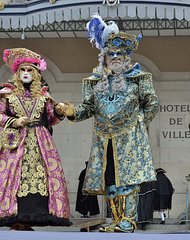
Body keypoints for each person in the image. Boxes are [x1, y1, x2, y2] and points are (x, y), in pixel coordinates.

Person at [55, 15, 159, 233]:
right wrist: (70, 110)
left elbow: (152, 104)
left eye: (119, 54)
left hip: (129, 139)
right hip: (105, 141)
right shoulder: (94, 83)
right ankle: (116, 219)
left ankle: (128, 221)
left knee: (128, 181)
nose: (115, 57)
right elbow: (88, 108)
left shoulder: (138, 78)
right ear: (104, 58)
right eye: (110, 54)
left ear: (126, 56)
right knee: (110, 180)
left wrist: (139, 125)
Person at [0, 48, 72, 230]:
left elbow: (51, 118)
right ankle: (12, 215)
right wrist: (14, 121)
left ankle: (33, 216)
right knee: (11, 176)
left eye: (30, 70)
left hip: (40, 143)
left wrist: (60, 110)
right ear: (17, 73)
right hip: (14, 142)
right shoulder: (7, 94)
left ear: (36, 74)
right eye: (23, 70)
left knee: (41, 177)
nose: (26, 73)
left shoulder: (43, 96)